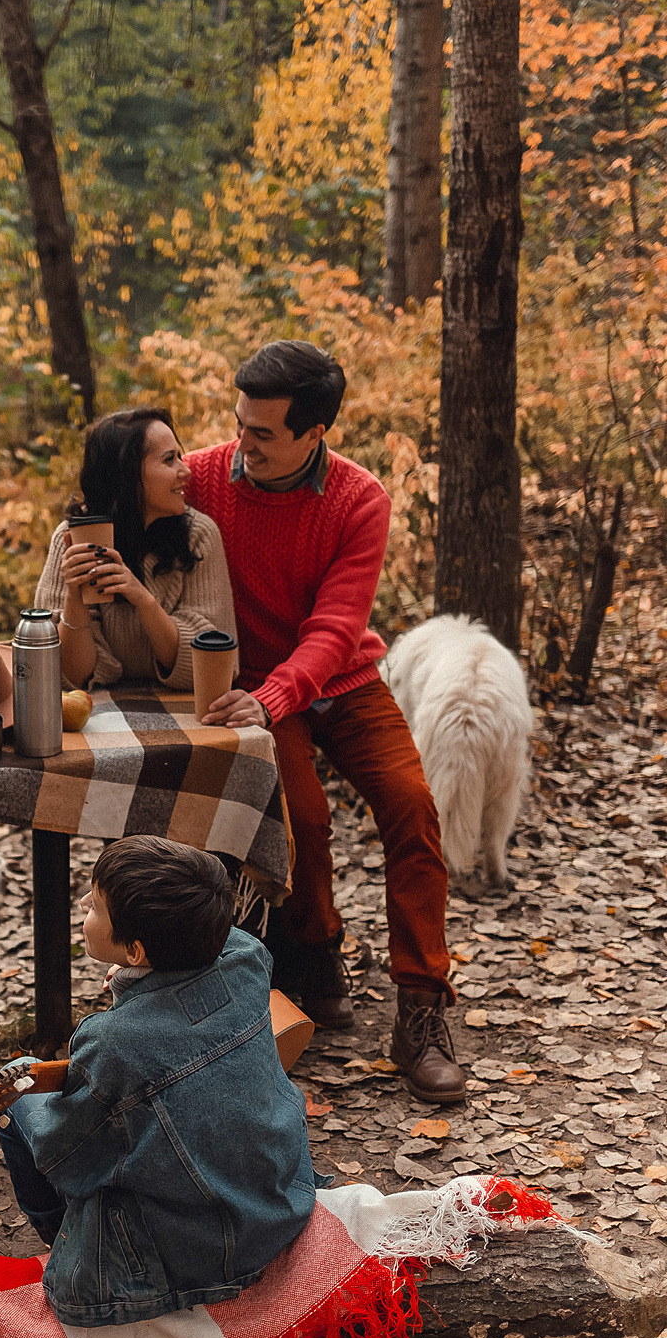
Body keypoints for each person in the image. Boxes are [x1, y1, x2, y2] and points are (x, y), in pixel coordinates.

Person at [186, 338, 462, 1104]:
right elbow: (125, 495)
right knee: (300, 817)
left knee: (412, 805)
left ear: (315, 433)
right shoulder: (205, 477)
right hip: (253, 684)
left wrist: (276, 698)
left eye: (264, 432)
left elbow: (338, 628)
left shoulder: (358, 497)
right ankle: (316, 956)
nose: (243, 444)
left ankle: (421, 1008)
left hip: (337, 679)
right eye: (239, 423)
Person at [0, 837, 319, 1329]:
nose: (82, 904)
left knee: (18, 1094)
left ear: (136, 949)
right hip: (279, 1198)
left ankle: (59, 1235)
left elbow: (65, 1154)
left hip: (194, 1258)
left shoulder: (114, 1041)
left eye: (96, 906)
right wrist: (133, 979)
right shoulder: (248, 954)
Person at [34, 407, 236, 692]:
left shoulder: (199, 535)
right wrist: (74, 596)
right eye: (169, 460)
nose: (185, 470)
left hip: (184, 706)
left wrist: (143, 600)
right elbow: (69, 677)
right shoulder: (73, 538)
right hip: (99, 711)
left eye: (179, 455)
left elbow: (212, 667)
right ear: (128, 475)